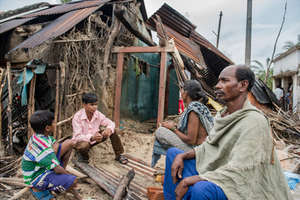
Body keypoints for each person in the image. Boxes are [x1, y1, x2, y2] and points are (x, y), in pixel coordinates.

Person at [164, 65, 292, 200]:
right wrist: (183, 156)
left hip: (242, 184)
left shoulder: (254, 121)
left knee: (202, 189)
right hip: (220, 170)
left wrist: (189, 180)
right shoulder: (222, 115)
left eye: (224, 81)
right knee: (173, 154)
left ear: (243, 85)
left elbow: (242, 170)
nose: (218, 86)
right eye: (219, 81)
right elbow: (209, 146)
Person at [151, 80, 214, 168]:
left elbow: (191, 140)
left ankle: (182, 159)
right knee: (165, 130)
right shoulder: (199, 107)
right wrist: (173, 126)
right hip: (201, 149)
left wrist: (174, 129)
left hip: (197, 152)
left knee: (160, 131)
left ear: (186, 93)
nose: (180, 92)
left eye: (182, 90)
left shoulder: (193, 110)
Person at [22, 110, 81, 200]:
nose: (55, 124)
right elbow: (57, 169)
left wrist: (53, 150)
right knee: (74, 181)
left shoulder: (41, 136)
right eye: (53, 122)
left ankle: (60, 180)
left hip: (42, 167)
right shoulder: (43, 145)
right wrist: (70, 177)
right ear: (47, 128)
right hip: (35, 177)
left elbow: (55, 142)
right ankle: (39, 189)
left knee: (69, 143)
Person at [72, 92, 128, 164]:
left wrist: (108, 129)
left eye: (96, 104)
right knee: (84, 145)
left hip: (96, 139)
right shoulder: (77, 117)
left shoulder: (97, 114)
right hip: (81, 142)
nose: (95, 107)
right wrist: (91, 137)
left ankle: (119, 155)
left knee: (112, 130)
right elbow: (77, 137)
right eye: (92, 105)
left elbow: (111, 123)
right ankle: (84, 158)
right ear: (84, 105)